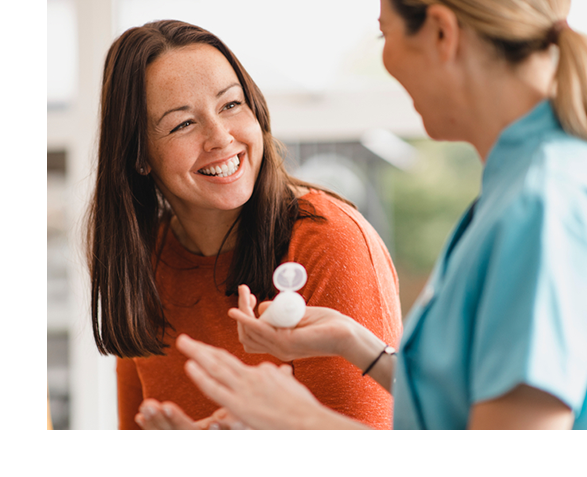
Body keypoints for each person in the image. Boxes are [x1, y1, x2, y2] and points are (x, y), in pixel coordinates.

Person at [158, 0, 587, 430]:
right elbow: (461, 405)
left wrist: (301, 422)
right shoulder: (522, 185)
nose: (384, 62)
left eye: (385, 34)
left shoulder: (539, 204)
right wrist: (355, 342)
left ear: (441, 32)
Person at [86, 20, 402, 430]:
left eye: (231, 105)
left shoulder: (329, 239)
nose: (220, 137)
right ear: (139, 155)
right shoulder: (143, 259)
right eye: (183, 123)